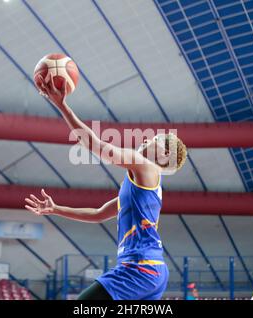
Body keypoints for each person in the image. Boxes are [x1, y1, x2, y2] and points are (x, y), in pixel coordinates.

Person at [25, 75, 187, 300]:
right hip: (151, 271)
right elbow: (99, 214)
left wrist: (62, 106)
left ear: (165, 154)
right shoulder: (141, 186)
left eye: (156, 140)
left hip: (139, 268)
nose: (148, 140)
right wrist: (56, 209)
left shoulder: (146, 167)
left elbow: (95, 145)